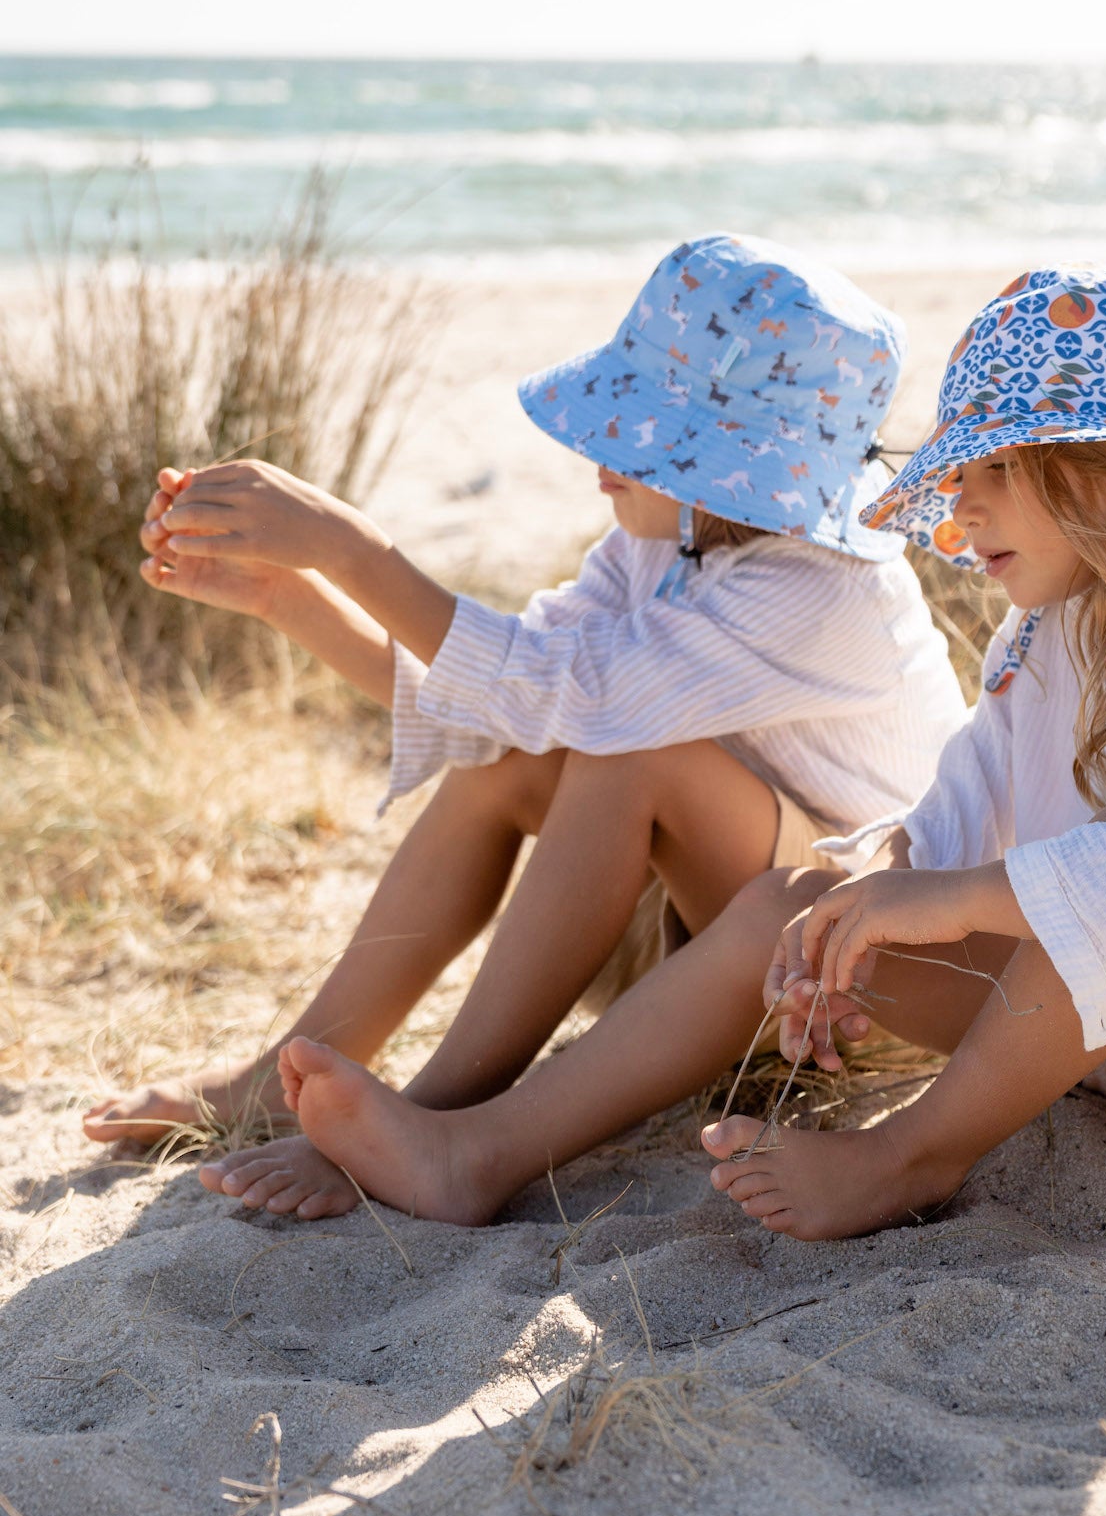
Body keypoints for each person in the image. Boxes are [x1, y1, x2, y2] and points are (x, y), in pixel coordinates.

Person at [251, 265, 1106, 1236]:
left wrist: (959, 895)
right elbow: (956, 811)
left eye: (993, 477)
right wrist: (862, 908)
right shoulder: (1048, 628)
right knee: (790, 904)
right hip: (1082, 1035)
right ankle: (477, 1151)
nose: (960, 519)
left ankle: (909, 1156)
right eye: (954, 481)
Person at [81, 232, 967, 1216]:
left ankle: (432, 1122)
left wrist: (352, 546)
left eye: (637, 440)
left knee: (629, 758)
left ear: (731, 472)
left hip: (865, 982)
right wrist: (290, 597)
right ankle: (281, 1084)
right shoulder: (664, 550)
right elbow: (500, 702)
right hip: (739, 934)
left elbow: (567, 695)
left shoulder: (824, 590)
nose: (598, 458)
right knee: (520, 755)